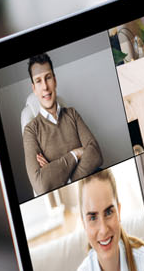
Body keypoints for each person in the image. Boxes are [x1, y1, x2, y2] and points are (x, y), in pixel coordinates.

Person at [20, 53, 101, 197]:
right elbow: (41, 184)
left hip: (95, 186)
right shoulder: (31, 130)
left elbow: (95, 154)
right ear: (34, 89)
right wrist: (76, 154)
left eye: (48, 78)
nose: (45, 86)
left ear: (55, 81)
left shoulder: (72, 114)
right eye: (38, 81)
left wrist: (61, 176)